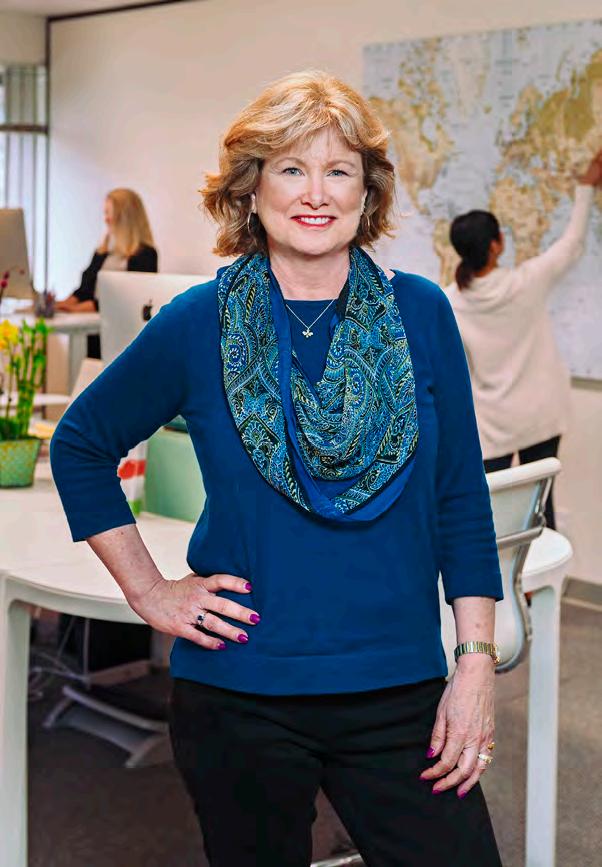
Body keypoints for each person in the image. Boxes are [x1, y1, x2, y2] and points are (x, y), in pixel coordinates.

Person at [51, 71, 503, 867]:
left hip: (399, 687)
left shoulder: (422, 313)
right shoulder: (199, 321)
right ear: (251, 186)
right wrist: (150, 590)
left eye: (339, 170)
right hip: (240, 693)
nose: (316, 193)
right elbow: (80, 443)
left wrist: (475, 664)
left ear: (368, 192)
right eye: (292, 168)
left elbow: (461, 498)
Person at [447, 152, 602, 528]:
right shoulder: (527, 283)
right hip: (540, 417)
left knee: (494, 519)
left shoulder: (449, 301)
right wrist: (585, 187)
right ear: (496, 245)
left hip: (490, 426)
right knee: (540, 511)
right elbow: (572, 243)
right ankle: (541, 568)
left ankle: (506, 571)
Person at [56, 187, 158, 357]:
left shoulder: (145, 255)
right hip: (93, 331)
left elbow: (127, 300)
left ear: (124, 217)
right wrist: (60, 305)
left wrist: (76, 309)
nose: (106, 219)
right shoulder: (102, 252)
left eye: (109, 213)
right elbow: (84, 291)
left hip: (121, 335)